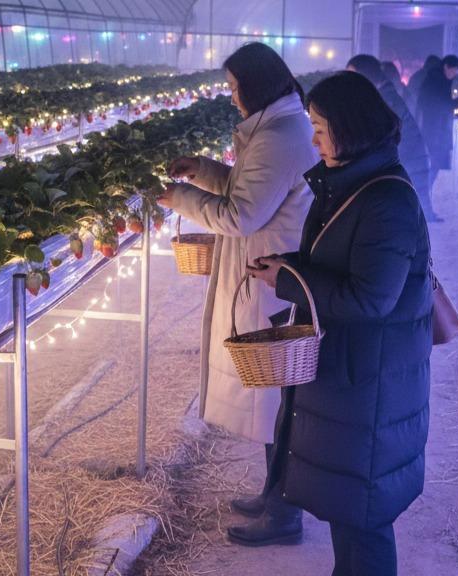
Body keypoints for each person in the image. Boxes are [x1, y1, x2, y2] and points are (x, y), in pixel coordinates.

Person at [247, 72, 432, 576]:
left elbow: (371, 298)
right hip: (351, 376)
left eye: (319, 128)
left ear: (349, 128)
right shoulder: (350, 183)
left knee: (364, 522)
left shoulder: (386, 200)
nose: (314, 141)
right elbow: (339, 263)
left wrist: (289, 282)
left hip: (370, 384)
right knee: (349, 511)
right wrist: (287, 266)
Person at [157, 42, 317, 547]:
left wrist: (181, 198)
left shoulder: (279, 137)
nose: (230, 97)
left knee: (279, 399)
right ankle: (275, 494)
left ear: (255, 84)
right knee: (274, 397)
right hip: (269, 271)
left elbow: (241, 214)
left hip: (271, 278)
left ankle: (285, 511)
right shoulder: (276, 129)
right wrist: (205, 171)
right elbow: (251, 188)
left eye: (233, 86)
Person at [347, 54, 438, 221]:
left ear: (366, 75)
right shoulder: (382, 95)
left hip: (408, 166)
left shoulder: (384, 100)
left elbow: (381, 141)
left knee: (406, 219)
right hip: (409, 165)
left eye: (352, 75)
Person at [416, 54, 458, 187]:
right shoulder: (437, 81)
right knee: (433, 164)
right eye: (453, 70)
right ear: (446, 67)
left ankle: (425, 190)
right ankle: (424, 191)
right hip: (435, 131)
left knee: (432, 164)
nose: (454, 74)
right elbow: (442, 104)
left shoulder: (436, 79)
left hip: (435, 129)